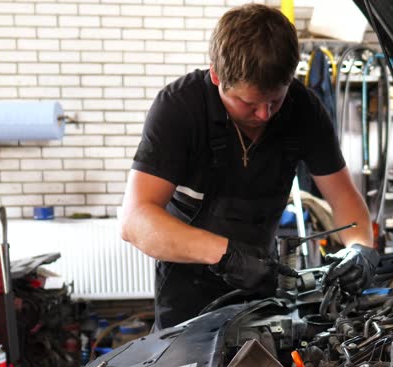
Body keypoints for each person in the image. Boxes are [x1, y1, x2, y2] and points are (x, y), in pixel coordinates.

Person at [120, 4, 378, 329]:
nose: (264, 115)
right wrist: (225, 254)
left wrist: (359, 248)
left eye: (275, 101)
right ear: (216, 75)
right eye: (248, 103)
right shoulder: (179, 108)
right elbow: (134, 221)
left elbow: (344, 199)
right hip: (188, 289)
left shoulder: (304, 110)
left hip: (263, 281)